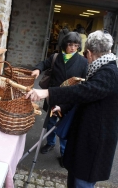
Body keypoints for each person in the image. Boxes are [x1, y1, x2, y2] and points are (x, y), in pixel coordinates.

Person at [26, 30, 118, 188]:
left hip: (92, 146)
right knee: (74, 179)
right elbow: (85, 97)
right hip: (84, 140)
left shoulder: (110, 74)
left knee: (81, 183)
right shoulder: (103, 70)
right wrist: (63, 107)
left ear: (90, 53)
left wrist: (47, 92)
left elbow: (84, 91)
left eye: (85, 53)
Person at [31, 32, 88, 167]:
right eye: (70, 44)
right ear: (64, 45)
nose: (73, 48)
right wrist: (38, 69)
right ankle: (50, 143)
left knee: (65, 126)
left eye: (76, 45)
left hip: (69, 99)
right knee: (50, 122)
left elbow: (86, 81)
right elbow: (43, 63)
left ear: (79, 47)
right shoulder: (56, 57)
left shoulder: (83, 62)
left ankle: (64, 152)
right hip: (53, 96)